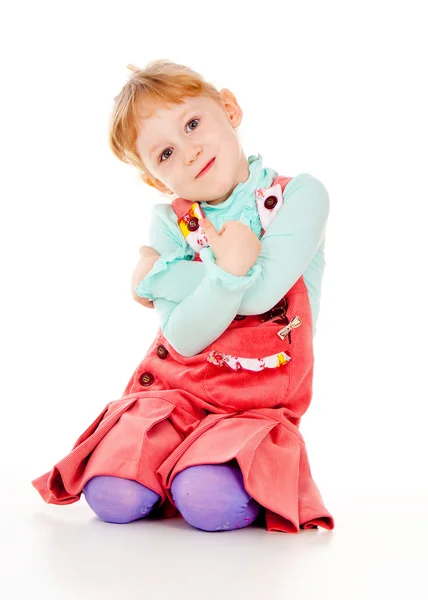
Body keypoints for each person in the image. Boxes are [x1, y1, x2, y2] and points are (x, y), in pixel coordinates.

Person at [32, 59, 335, 534]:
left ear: (229, 109)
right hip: (175, 392)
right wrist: (229, 272)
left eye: (192, 124)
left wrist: (163, 279)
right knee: (111, 494)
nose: (189, 152)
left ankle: (194, 471)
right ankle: (167, 460)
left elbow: (259, 301)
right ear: (156, 180)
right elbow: (183, 338)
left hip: (254, 403)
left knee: (208, 500)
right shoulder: (169, 221)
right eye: (166, 154)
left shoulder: (299, 196)